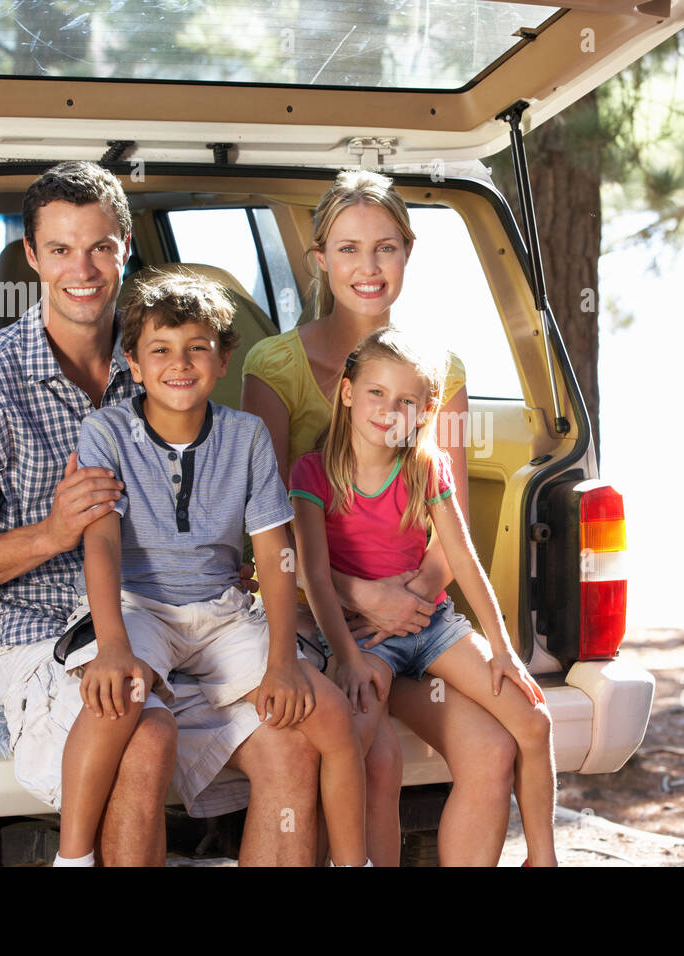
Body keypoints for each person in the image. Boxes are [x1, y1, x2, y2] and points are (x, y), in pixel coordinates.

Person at [0, 161, 320, 866]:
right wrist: (50, 534)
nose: (83, 269)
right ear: (32, 257)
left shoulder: (164, 362)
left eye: (100, 246)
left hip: (178, 618)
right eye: (61, 249)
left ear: (126, 247)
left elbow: (235, 500)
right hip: (32, 629)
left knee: (294, 742)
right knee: (141, 733)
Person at [242, 169, 519, 866]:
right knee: (378, 759)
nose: (368, 268)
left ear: (408, 252)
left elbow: (444, 517)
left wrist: (413, 604)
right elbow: (268, 527)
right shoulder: (273, 364)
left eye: (385, 248)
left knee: (492, 751)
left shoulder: (441, 368)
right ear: (319, 260)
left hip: (415, 621)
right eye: (348, 249)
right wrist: (362, 598)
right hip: (316, 616)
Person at [56, 271, 369, 867]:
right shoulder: (107, 431)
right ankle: (71, 858)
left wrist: (282, 659)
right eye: (161, 350)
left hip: (222, 610)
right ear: (134, 364)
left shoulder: (245, 436)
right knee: (117, 697)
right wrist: (114, 647)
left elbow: (276, 554)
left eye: (198, 347)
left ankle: (355, 863)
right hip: (137, 605)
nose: (181, 363)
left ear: (224, 359)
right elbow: (101, 544)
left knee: (327, 712)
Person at [291, 327, 557, 867]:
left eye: (405, 401)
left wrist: (503, 649)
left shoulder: (426, 468)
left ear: (426, 409)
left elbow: (462, 560)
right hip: (365, 639)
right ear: (346, 392)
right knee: (354, 745)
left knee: (533, 719)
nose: (388, 411)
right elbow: (314, 576)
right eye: (375, 394)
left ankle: (543, 858)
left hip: (432, 627)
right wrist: (345, 657)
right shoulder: (313, 474)